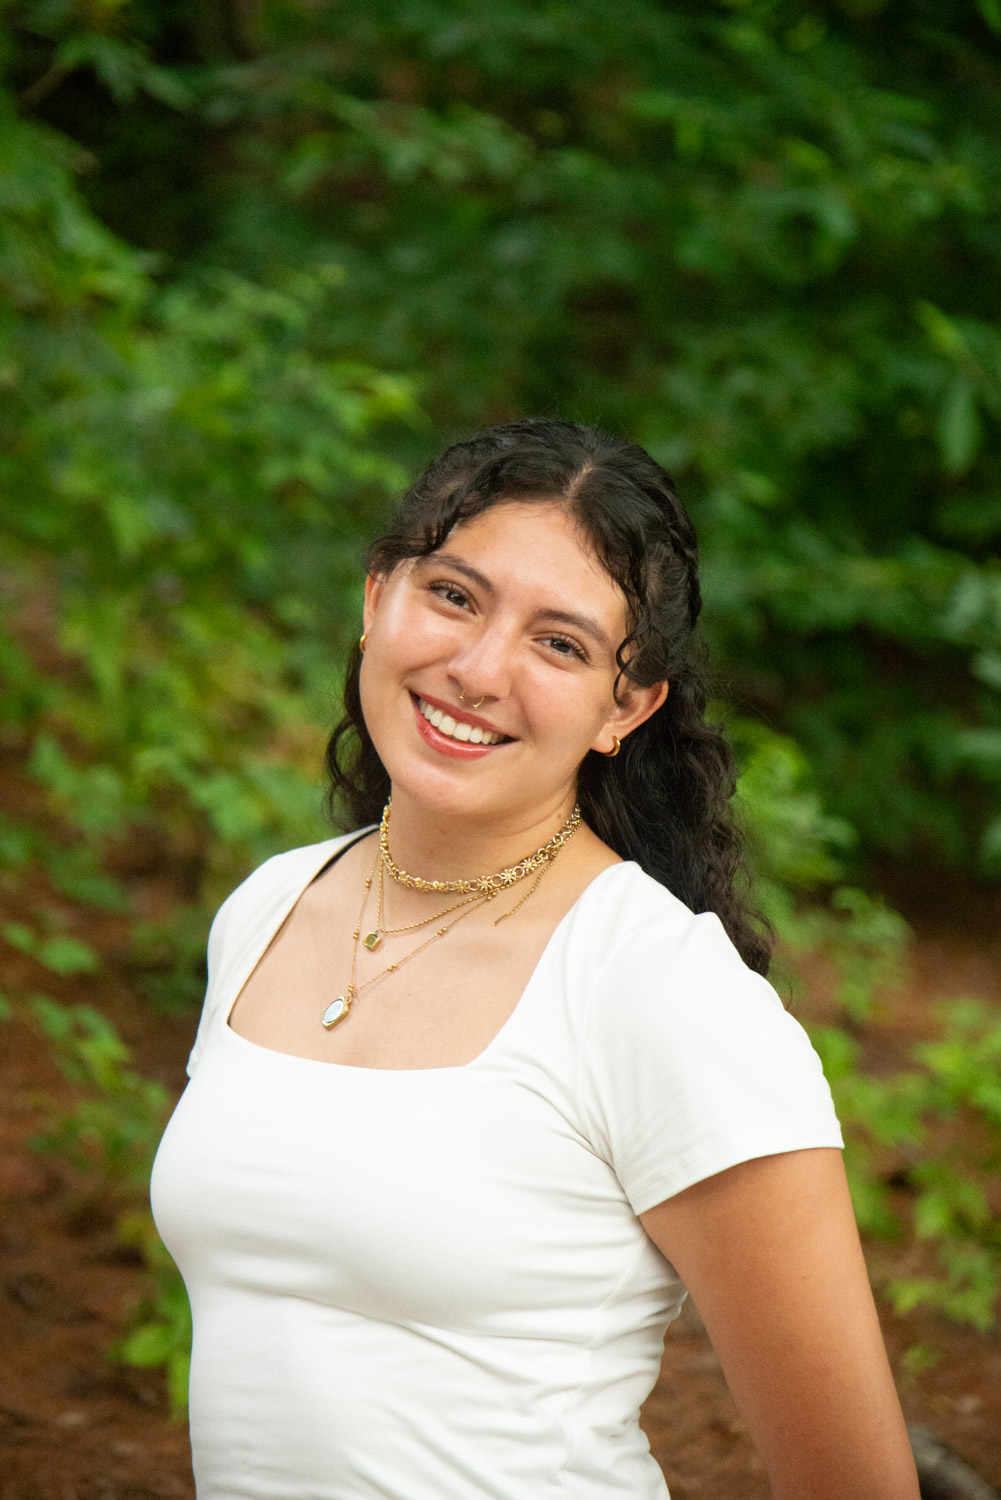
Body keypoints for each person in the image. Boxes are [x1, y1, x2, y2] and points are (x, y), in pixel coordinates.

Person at [150, 419, 921, 1500]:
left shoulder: (660, 991)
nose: (476, 671)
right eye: (453, 596)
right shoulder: (270, 906)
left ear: (625, 708)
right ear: (375, 598)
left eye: (559, 644)